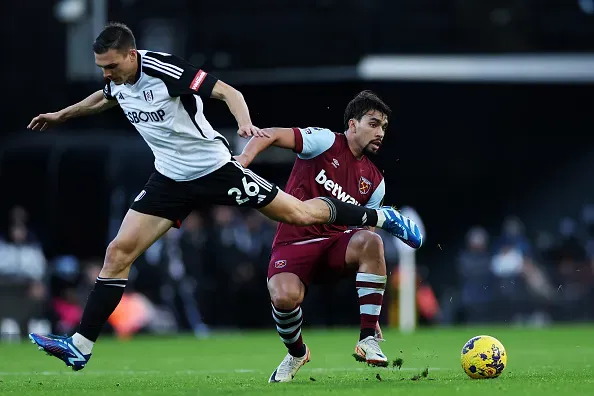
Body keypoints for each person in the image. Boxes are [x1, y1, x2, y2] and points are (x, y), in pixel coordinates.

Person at [26, 22, 422, 372]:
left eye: (112, 66)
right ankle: (80, 347)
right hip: (169, 179)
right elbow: (105, 97)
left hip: (214, 168)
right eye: (102, 69)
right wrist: (61, 115)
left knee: (300, 213)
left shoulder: (163, 69)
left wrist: (245, 123)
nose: (108, 74)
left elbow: (227, 91)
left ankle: (381, 218)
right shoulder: (118, 79)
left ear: (132, 55)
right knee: (118, 253)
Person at [234, 90, 421, 383]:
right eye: (373, 123)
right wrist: (243, 161)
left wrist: (370, 316)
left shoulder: (375, 182)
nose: (380, 132)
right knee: (284, 297)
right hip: (293, 242)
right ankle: (297, 353)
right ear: (352, 124)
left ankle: (367, 338)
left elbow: (365, 242)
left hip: (334, 246)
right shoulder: (324, 141)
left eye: (383, 127)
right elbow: (268, 134)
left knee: (373, 240)